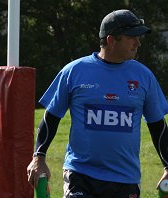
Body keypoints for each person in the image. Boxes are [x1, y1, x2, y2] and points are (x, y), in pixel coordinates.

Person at [27, 9, 168, 198]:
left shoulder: (144, 76)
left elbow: (158, 126)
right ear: (111, 40)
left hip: (125, 180)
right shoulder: (74, 71)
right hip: (80, 176)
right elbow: (50, 118)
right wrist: (38, 157)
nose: (138, 42)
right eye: (132, 37)